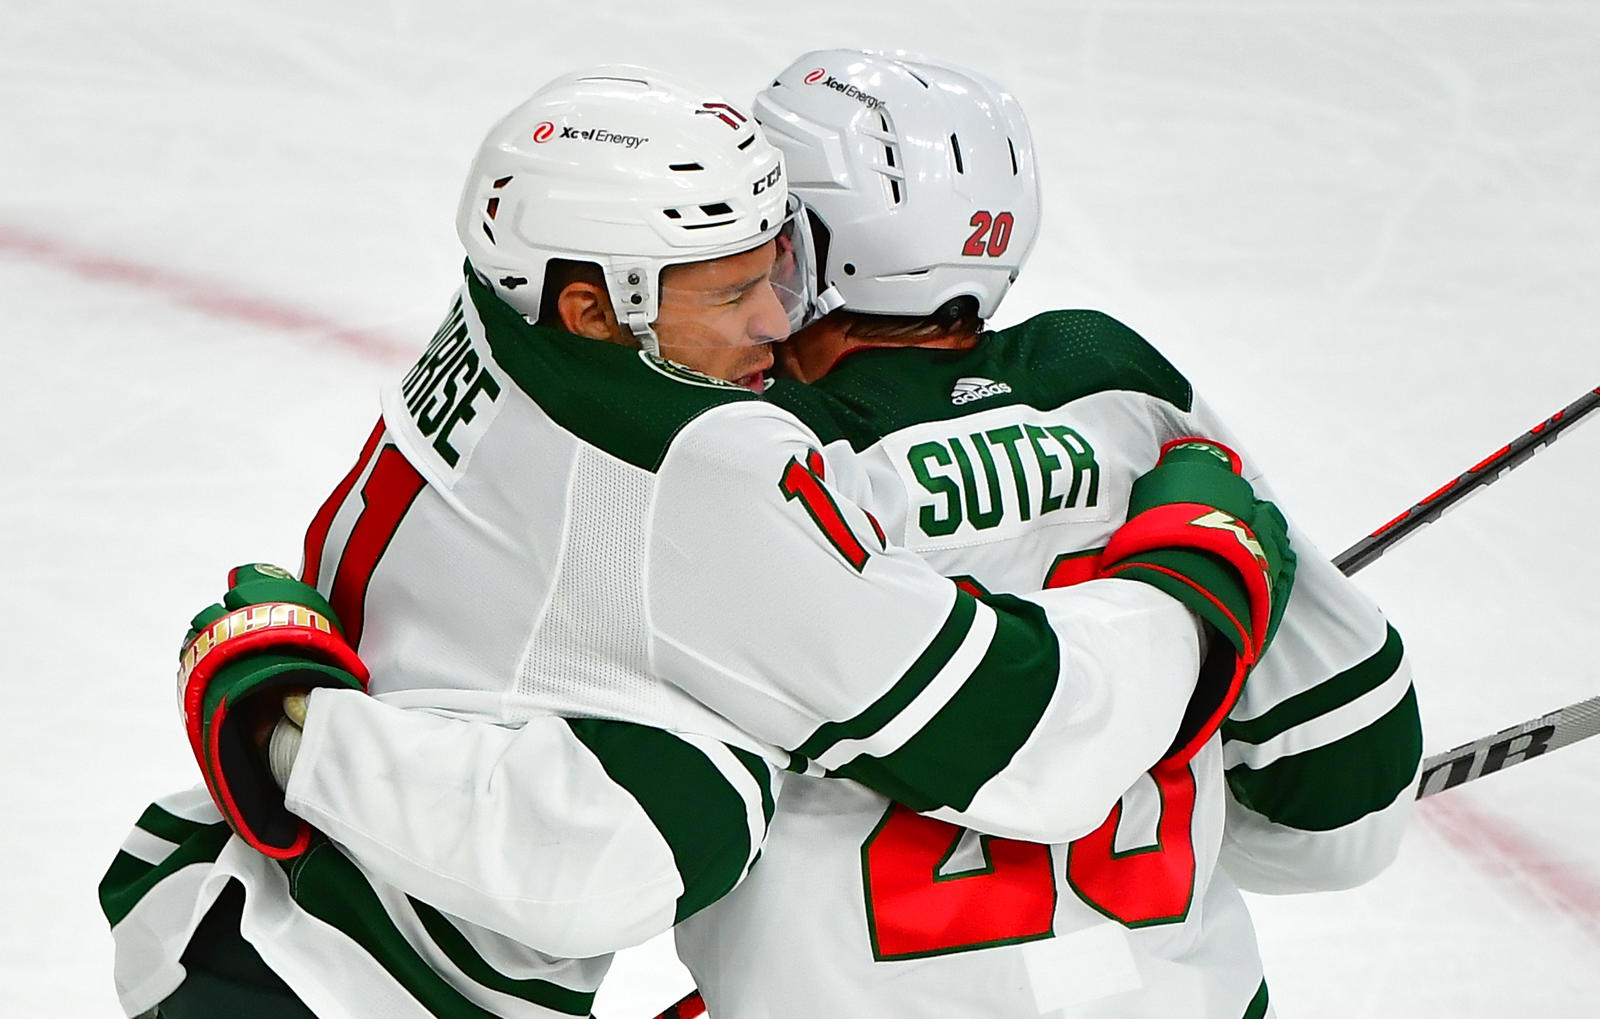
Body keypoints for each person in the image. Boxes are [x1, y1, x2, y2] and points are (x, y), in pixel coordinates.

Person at [101, 63, 1293, 1019]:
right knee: (694, 805)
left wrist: (275, 709)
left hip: (235, 917)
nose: (779, 322)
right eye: (730, 294)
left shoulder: (505, 317)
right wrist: (1200, 565)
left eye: (774, 267)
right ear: (594, 302)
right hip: (327, 986)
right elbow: (1035, 740)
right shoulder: (699, 470)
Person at [665, 50, 1422, 1017]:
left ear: (813, 248)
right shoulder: (1118, 392)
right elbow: (1346, 800)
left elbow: (634, 837)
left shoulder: (758, 461)